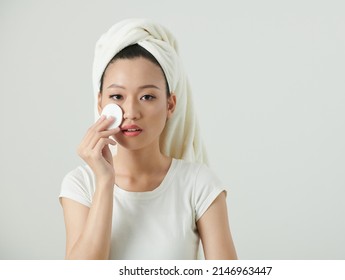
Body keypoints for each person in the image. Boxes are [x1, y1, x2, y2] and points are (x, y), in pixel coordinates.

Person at [59, 19, 237, 260]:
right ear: (100, 102)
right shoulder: (81, 185)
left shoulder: (199, 185)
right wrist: (104, 182)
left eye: (147, 97)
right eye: (117, 96)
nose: (131, 111)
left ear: (170, 104)